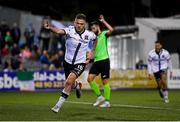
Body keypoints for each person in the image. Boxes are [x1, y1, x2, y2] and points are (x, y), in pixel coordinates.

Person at [44, 13, 96, 113]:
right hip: (67, 62)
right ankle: (77, 86)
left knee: (68, 82)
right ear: (74, 22)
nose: (79, 25)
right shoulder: (69, 30)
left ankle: (57, 106)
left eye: (81, 24)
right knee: (70, 84)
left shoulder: (89, 34)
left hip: (80, 63)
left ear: (84, 24)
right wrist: (50, 28)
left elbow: (95, 39)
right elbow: (59, 31)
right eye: (77, 23)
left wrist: (92, 51)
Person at [87, 15, 113, 107]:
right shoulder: (93, 38)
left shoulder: (104, 34)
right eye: (91, 29)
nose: (92, 30)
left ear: (98, 27)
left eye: (94, 28)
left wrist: (103, 21)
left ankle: (107, 102)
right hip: (96, 61)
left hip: (104, 60)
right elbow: (92, 50)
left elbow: (111, 30)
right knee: (89, 79)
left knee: (105, 82)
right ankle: (99, 97)